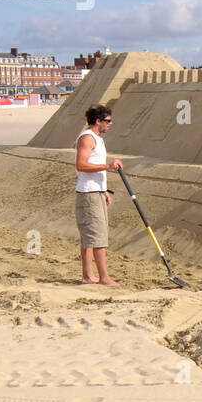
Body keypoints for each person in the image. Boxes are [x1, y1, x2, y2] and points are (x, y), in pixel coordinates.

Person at [75, 103, 123, 285]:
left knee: (89, 236)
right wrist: (109, 166)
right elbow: (81, 165)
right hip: (88, 194)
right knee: (97, 236)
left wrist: (104, 190)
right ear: (98, 121)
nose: (110, 124)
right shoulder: (87, 138)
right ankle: (104, 278)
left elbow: (93, 166)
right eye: (108, 121)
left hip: (95, 192)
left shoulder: (97, 138)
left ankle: (88, 276)